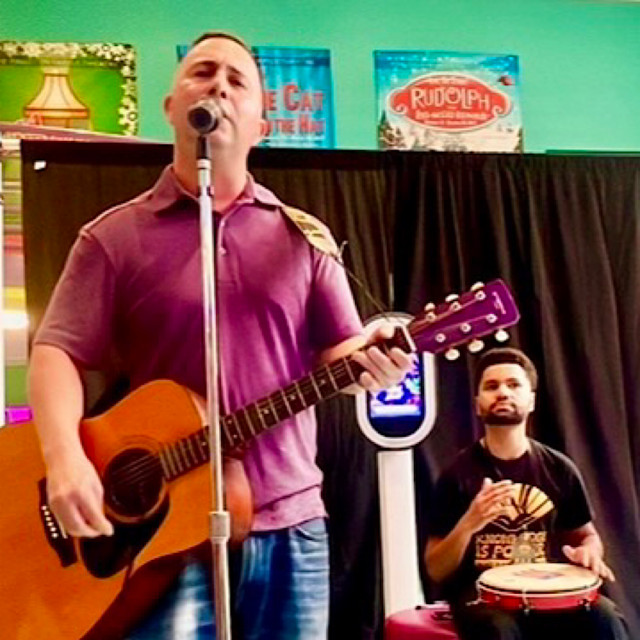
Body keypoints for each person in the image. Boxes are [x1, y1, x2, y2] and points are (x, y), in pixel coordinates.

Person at [27, 31, 413, 639]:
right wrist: (64, 458)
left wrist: (374, 360)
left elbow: (339, 351)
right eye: (202, 72)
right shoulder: (112, 237)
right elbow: (57, 350)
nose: (218, 87)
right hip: (160, 532)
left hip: (291, 525)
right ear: (170, 107)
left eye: (237, 80)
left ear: (262, 124)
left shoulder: (304, 237)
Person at [424, 347, 629, 640]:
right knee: (499, 629)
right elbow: (436, 569)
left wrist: (589, 552)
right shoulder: (456, 475)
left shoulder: (559, 468)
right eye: (491, 386)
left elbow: (587, 536)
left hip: (546, 593)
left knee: (606, 617)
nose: (503, 392)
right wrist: (470, 522)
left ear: (531, 401)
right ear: (478, 405)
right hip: (482, 599)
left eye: (513, 384)